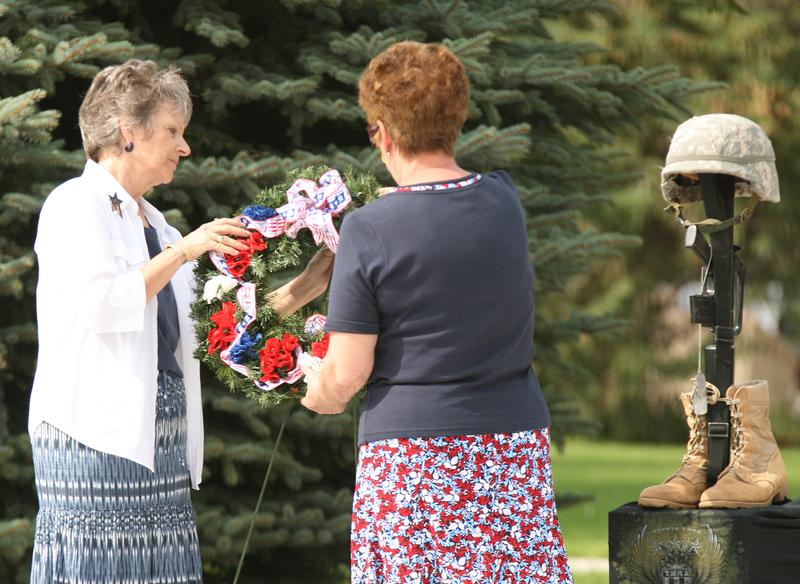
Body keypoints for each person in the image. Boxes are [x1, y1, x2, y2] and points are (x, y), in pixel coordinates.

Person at [29, 59, 331, 584]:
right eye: (172, 131)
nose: (184, 147)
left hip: (160, 445)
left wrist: (307, 286)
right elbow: (103, 305)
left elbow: (216, 335)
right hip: (94, 441)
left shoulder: (159, 225)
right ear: (128, 130)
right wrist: (186, 251)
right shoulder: (73, 205)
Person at [300, 42, 573, 583]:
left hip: (414, 462)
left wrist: (306, 387)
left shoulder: (368, 230)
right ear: (456, 118)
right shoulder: (504, 201)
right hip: (511, 455)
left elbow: (347, 374)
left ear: (383, 132)